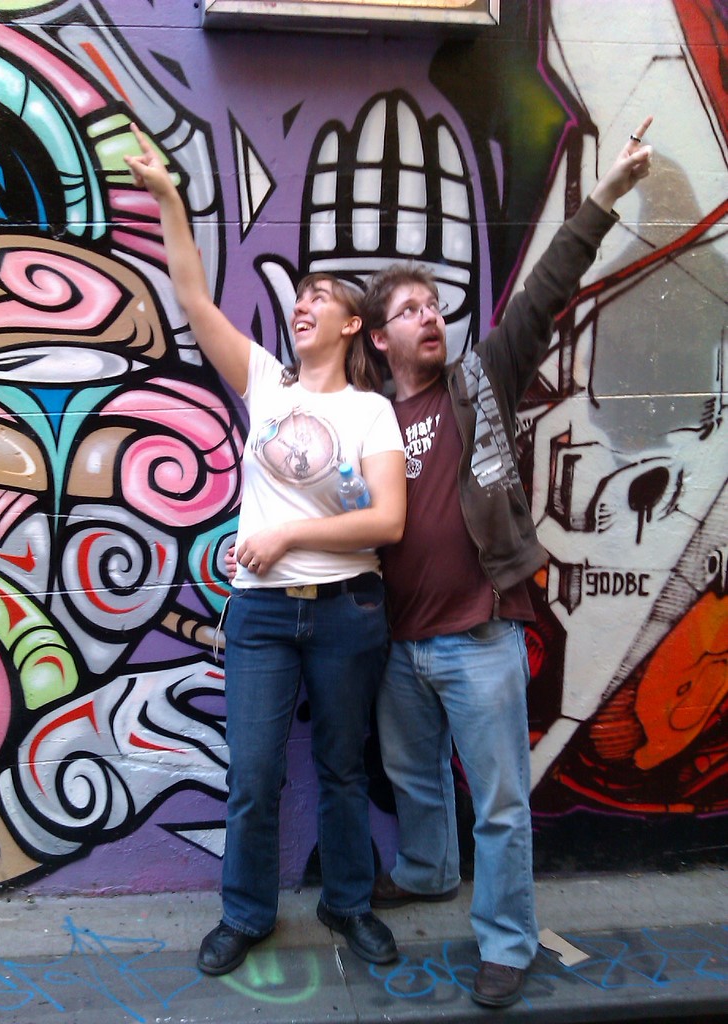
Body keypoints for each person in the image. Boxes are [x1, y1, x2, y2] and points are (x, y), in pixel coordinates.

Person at [362, 119, 654, 1008]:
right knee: (414, 777)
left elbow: (543, 292)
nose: (430, 316)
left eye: (433, 305)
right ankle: (425, 871)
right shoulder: (367, 420)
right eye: (409, 310)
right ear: (378, 339)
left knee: (498, 803)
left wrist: (606, 195)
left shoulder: (480, 380)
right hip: (397, 642)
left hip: (477, 635)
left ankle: (506, 941)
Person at [125, 124, 406, 975]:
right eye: (300, 296)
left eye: (321, 297)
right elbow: (192, 295)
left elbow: (387, 521)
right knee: (252, 774)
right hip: (259, 616)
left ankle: (348, 903)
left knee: (343, 771)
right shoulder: (265, 382)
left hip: (350, 610)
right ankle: (245, 913)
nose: (303, 304)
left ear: (352, 323)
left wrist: (286, 533)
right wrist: (168, 196)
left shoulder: (371, 412)